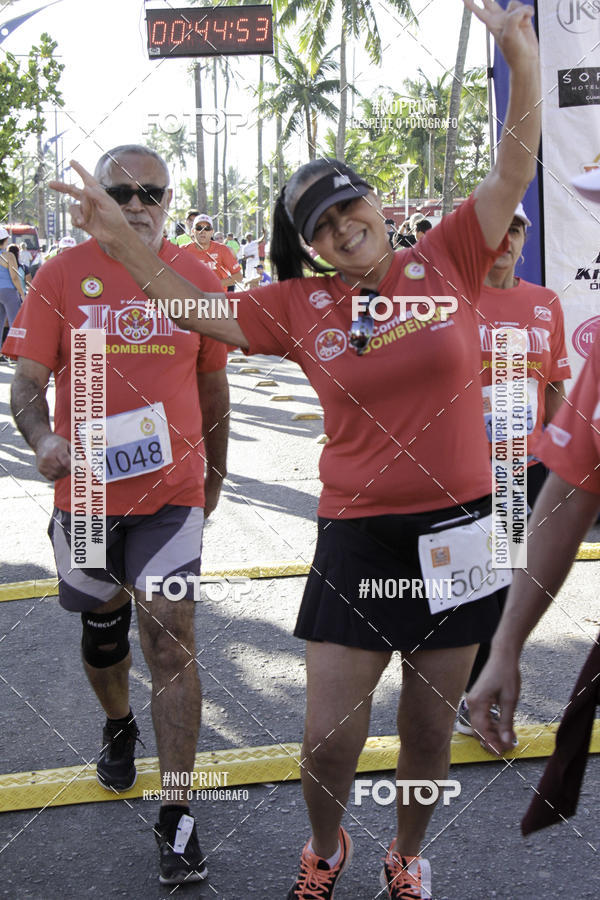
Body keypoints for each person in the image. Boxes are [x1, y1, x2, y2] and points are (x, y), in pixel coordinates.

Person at [50, 4, 541, 895]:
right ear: (307, 246)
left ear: (375, 203)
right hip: (357, 533)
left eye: (349, 204)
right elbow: (189, 305)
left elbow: (514, 161)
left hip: (462, 530)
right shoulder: (296, 307)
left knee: (429, 733)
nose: (342, 226)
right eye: (320, 224)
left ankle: (406, 854)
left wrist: (520, 51)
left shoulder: (453, 255)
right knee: (326, 736)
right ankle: (325, 848)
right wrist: (121, 239)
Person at [3, 144, 230, 886]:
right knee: (105, 637)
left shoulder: (196, 277)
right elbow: (30, 381)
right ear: (97, 197)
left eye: (152, 192)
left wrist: (213, 484)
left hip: (171, 498)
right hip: (90, 499)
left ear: (169, 199)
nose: (138, 204)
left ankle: (178, 813)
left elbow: (216, 393)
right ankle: (116, 723)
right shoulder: (62, 275)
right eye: (122, 191)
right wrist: (43, 438)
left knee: (170, 639)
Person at [456, 201, 571, 734]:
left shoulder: (544, 303)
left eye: (518, 228)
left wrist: (562, 462)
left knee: (503, 581)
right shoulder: (451, 301)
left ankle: (479, 688)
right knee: (469, 583)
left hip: (519, 467)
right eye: (498, 228)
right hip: (461, 470)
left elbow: (552, 389)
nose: (507, 239)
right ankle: (463, 689)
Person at [184, 214, 243, 290]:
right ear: (193, 231)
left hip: (216, 298)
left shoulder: (222, 250)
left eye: (207, 228)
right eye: (199, 228)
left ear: (212, 231)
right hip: (192, 299)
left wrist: (214, 284)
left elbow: (238, 276)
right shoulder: (183, 250)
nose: (203, 231)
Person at [0, 226, 26, 351]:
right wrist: (22, 294)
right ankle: (16, 352)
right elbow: (14, 277)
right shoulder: (9, 256)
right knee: (15, 323)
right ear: (4, 241)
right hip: (8, 292)